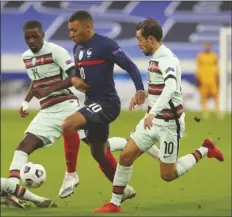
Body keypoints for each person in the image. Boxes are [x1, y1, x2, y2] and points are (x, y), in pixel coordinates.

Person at [94, 18, 224, 213]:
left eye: (140, 39)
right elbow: (161, 88)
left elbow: (171, 88)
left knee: (168, 175)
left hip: (170, 124)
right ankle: (115, 203)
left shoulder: (167, 60)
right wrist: (143, 96)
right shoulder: (155, 57)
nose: (138, 43)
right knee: (126, 156)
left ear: (151, 39)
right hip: (152, 120)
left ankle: (205, 149)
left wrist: (153, 112)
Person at [59, 10, 146, 200]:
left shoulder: (105, 45)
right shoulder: (77, 49)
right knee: (99, 152)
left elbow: (130, 66)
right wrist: (74, 79)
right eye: (69, 30)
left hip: (107, 103)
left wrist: (139, 89)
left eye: (74, 30)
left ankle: (71, 175)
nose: (71, 34)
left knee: (68, 124)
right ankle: (122, 189)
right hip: (92, 103)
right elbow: (75, 71)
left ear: (88, 27)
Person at [6, 20, 88, 202]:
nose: (32, 40)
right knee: (23, 147)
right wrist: (26, 102)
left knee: (97, 146)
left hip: (66, 106)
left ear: (42, 34)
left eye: (35, 36)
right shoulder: (26, 57)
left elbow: (74, 77)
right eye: (28, 38)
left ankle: (134, 144)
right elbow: (36, 82)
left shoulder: (56, 51)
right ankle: (11, 189)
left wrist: (49, 90)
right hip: (47, 111)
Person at [195, 42, 219, 119]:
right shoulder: (200, 56)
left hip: (212, 79)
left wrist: (217, 76)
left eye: (209, 46)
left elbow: (217, 67)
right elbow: (198, 67)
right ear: (204, 47)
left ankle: (217, 111)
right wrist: (198, 77)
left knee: (215, 95)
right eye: (206, 46)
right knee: (204, 96)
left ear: (211, 47)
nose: (207, 47)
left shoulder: (214, 56)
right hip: (203, 80)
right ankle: (205, 111)